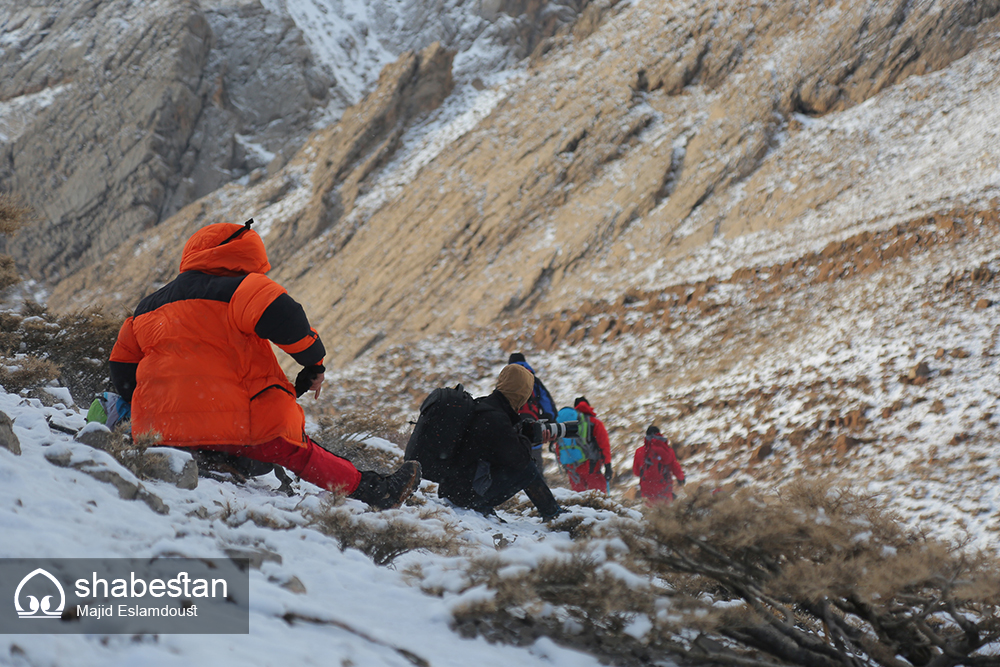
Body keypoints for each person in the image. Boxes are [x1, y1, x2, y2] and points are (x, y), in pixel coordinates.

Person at [108, 220, 421, 510]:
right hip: (243, 429)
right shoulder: (243, 287)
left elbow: (122, 375)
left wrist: (169, 405)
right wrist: (314, 364)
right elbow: (288, 321)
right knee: (299, 451)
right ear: (244, 253)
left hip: (160, 432)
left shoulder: (146, 308)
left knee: (232, 439)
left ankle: (210, 454)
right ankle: (378, 491)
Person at [437, 364, 562, 520]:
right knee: (527, 469)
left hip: (454, 488)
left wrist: (520, 433)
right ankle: (553, 513)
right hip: (465, 496)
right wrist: (531, 438)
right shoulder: (496, 418)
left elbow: (497, 449)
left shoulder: (485, 405)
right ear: (519, 391)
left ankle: (551, 512)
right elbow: (519, 460)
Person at [507, 352, 557, 476]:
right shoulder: (534, 380)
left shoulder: (506, 381)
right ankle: (539, 489)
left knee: (514, 468)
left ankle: (517, 492)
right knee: (535, 467)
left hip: (512, 430)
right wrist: (549, 420)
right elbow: (547, 404)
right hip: (533, 427)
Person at [562, 396, 613, 493]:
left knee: (579, 501)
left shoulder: (568, 423)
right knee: (598, 499)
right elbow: (604, 445)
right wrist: (607, 465)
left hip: (572, 468)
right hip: (592, 467)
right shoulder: (595, 422)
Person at [633, 425, 685, 503]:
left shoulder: (639, 451)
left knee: (651, 513)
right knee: (666, 513)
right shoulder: (667, 450)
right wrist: (681, 478)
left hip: (647, 490)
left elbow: (636, 472)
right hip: (664, 489)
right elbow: (674, 466)